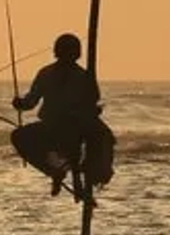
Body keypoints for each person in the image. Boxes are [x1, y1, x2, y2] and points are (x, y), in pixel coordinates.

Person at [11, 33, 114, 198]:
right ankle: (56, 170)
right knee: (19, 136)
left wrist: (19, 104)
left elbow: (30, 103)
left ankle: (61, 171)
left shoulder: (54, 73)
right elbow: (93, 101)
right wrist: (20, 104)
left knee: (19, 137)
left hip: (63, 130)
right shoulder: (81, 75)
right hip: (61, 130)